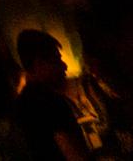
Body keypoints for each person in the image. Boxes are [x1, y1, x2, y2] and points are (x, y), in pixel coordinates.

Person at [13, 30, 88, 161]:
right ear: (39, 64)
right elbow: (72, 154)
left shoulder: (20, 104)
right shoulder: (50, 102)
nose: (64, 66)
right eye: (57, 60)